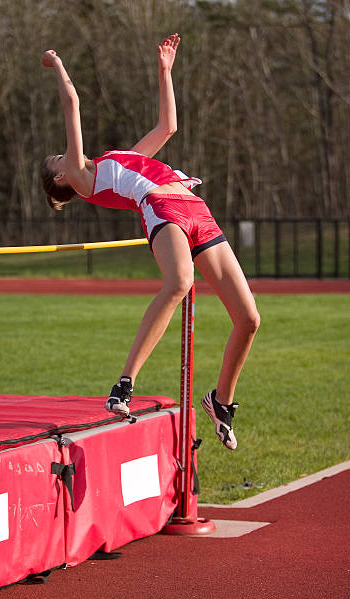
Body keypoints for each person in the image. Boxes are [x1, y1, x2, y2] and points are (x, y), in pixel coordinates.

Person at [40, 34, 260, 450]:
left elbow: (168, 127)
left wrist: (165, 70)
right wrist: (57, 63)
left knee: (249, 320)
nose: (64, 155)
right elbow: (71, 103)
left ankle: (221, 401)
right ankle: (124, 383)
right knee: (179, 282)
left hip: (196, 207)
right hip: (161, 209)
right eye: (58, 159)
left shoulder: (116, 161)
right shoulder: (83, 177)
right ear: (60, 177)